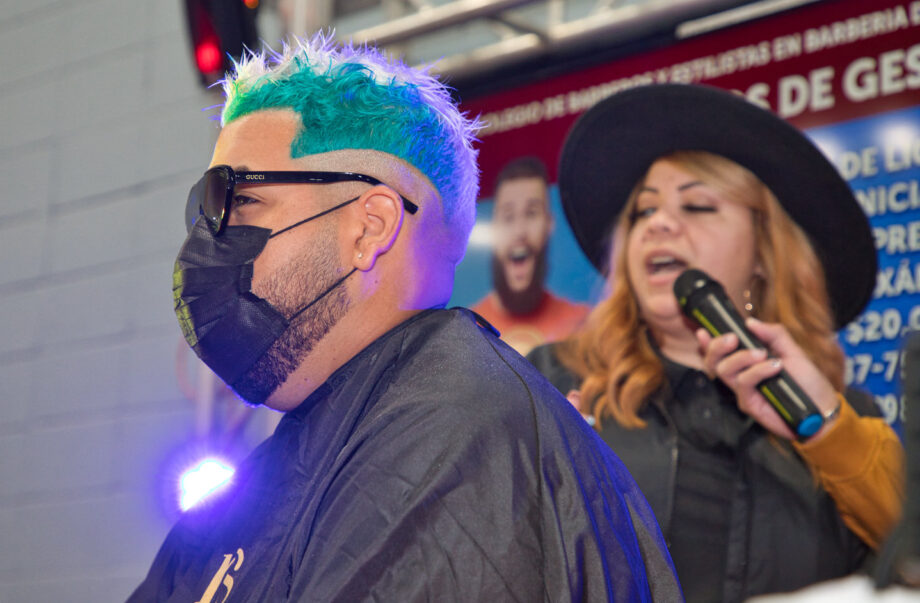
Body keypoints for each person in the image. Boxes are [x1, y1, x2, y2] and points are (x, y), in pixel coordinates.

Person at [127, 35, 683, 602]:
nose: (206, 238)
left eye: (239, 200)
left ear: (370, 227)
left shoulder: (458, 442)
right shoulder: (268, 477)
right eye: (204, 208)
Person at [528, 83, 905, 603]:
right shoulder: (554, 383)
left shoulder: (842, 421)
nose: (659, 224)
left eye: (698, 206)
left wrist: (825, 427)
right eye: (642, 212)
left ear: (763, 253)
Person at [471, 157, 590, 355]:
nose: (520, 232)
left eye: (531, 213)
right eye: (508, 216)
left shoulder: (583, 327)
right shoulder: (468, 332)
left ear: (549, 224)